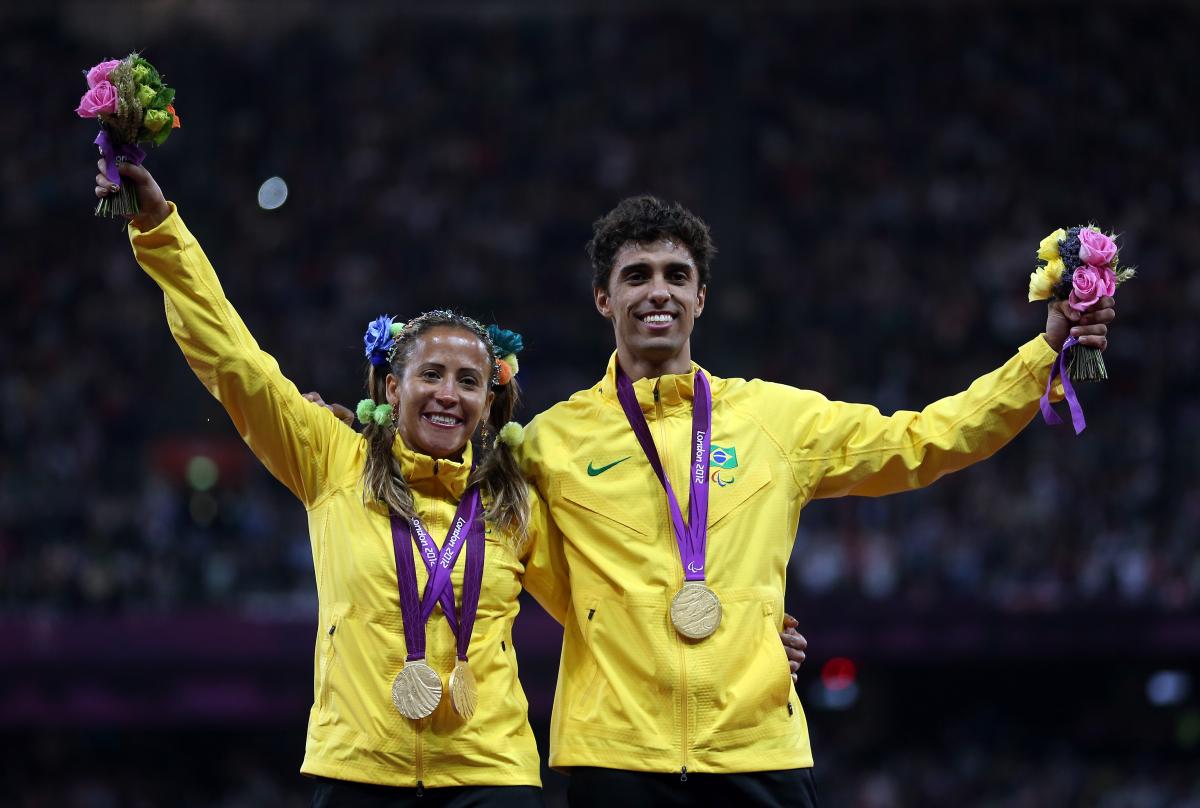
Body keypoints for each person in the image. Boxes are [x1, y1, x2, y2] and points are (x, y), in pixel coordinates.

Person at [517, 195, 1116, 806]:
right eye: (635, 276)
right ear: (603, 298)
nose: (658, 292)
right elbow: (495, 547)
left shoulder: (775, 419)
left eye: (678, 276)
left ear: (700, 299)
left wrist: (1043, 354)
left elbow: (922, 442)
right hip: (615, 761)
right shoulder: (551, 442)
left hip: (757, 753)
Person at [95, 159, 571, 807]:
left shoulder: (515, 502)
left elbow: (595, 606)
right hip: (357, 772)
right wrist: (159, 228)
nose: (448, 395)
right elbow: (237, 364)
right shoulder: (333, 460)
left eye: (469, 382)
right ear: (393, 386)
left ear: (490, 404)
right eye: (430, 374)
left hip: (491, 776)